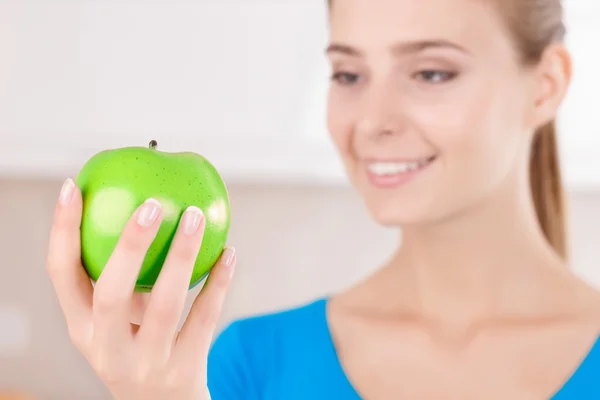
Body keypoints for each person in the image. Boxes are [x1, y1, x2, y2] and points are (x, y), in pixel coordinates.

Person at [46, 0, 600, 398]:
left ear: (545, 84)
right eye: (349, 73)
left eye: (431, 72)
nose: (373, 121)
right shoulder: (247, 366)